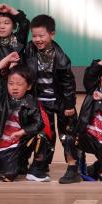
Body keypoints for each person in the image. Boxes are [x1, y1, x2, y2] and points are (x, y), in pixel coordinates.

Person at [22, 14, 77, 177]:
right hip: (40, 101)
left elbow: (68, 83)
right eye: (34, 36)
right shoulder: (29, 49)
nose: (37, 39)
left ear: (52, 34)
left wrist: (69, 105)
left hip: (60, 102)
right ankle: (42, 164)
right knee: (45, 134)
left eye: (41, 35)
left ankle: (73, 167)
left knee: (66, 135)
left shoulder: (61, 57)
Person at [60, 55, 102, 183]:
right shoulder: (92, 89)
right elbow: (90, 73)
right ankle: (74, 168)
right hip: (88, 137)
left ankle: (96, 167)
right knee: (69, 138)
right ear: (99, 79)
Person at [0, 52, 49, 182]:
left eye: (19, 84)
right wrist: (7, 59)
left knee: (41, 136)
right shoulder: (0, 97)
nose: (14, 87)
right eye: (11, 83)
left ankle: (35, 171)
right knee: (9, 177)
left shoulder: (30, 101)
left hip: (19, 142)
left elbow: (39, 123)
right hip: (3, 146)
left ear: (28, 86)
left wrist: (22, 132)